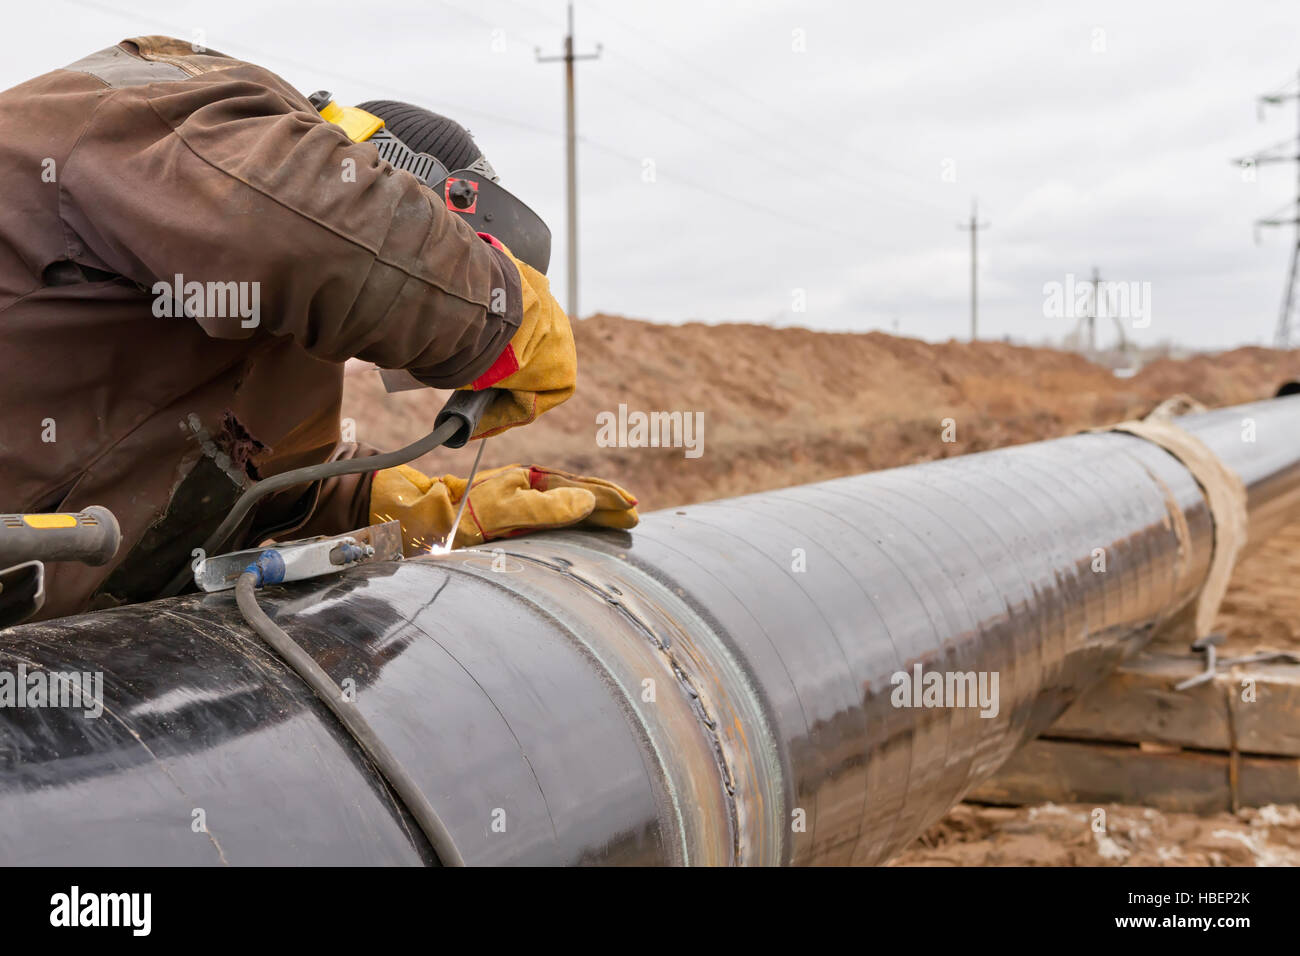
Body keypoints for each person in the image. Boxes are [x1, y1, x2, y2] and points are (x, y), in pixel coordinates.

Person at [0, 36, 636, 621]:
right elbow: (293, 230)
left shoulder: (262, 334)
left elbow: (260, 485)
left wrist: (393, 503)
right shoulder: (182, 112)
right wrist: (496, 308)